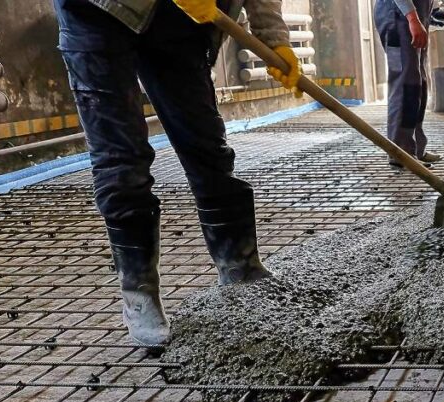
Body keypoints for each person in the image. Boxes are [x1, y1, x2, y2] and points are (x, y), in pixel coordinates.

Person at [52, 0, 302, 346]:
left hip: (179, 17)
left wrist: (274, 37)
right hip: (97, 14)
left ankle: (241, 268)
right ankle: (139, 295)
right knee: (121, 157)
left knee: (205, 144)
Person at [374, 0, 442, 167]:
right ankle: (400, 152)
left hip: (413, 15)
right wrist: (412, 19)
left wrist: (430, 12)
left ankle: (416, 148)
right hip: (398, 18)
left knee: (418, 84)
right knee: (405, 85)